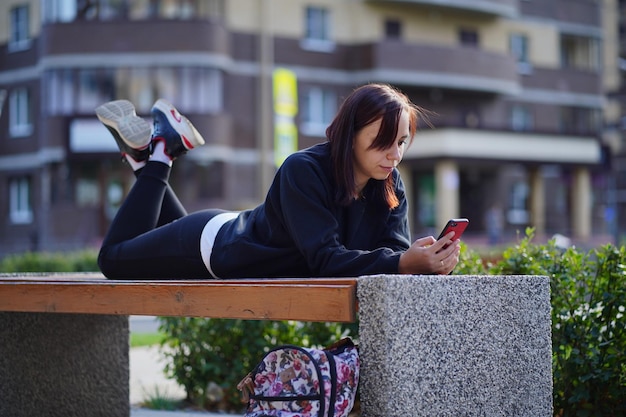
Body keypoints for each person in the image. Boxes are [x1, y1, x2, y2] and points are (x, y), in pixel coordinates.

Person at [96, 83, 461, 279]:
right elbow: (325, 260)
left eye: (400, 142)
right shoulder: (303, 169)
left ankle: (145, 160)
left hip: (233, 234)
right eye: (382, 143)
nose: (394, 155)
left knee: (148, 240)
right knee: (112, 260)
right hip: (213, 246)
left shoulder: (389, 184)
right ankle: (162, 150)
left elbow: (390, 256)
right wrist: (403, 263)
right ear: (350, 135)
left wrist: (423, 259)